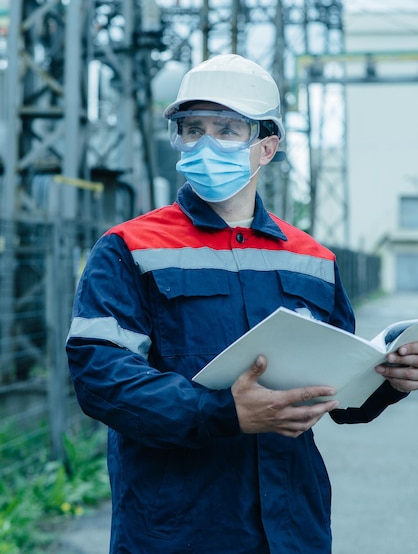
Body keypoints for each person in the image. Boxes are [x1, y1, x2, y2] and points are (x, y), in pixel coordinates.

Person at [66, 54, 418, 554]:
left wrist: (390, 382)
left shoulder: (311, 259)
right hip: (176, 531)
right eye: (192, 128)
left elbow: (342, 398)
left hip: (293, 527)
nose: (206, 143)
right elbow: (99, 376)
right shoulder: (129, 248)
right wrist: (223, 412)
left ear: (266, 147)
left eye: (227, 129)